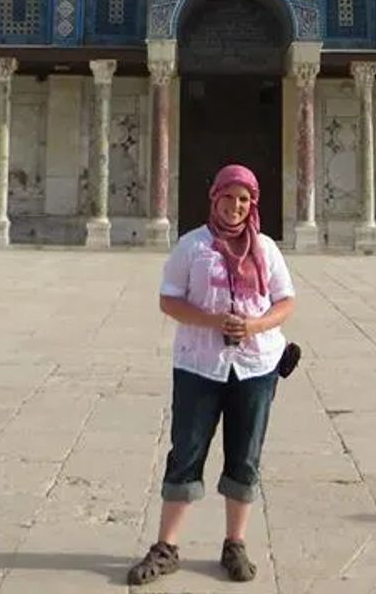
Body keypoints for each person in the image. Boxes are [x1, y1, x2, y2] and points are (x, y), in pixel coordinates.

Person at [127, 164, 296, 586]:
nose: (235, 206)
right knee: (186, 451)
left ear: (252, 204)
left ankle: (234, 544)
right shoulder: (192, 246)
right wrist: (211, 320)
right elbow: (169, 301)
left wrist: (254, 326)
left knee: (245, 455)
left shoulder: (267, 250)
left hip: (256, 365)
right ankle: (166, 546)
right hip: (199, 365)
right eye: (228, 197)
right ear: (214, 197)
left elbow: (285, 301)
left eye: (244, 199)